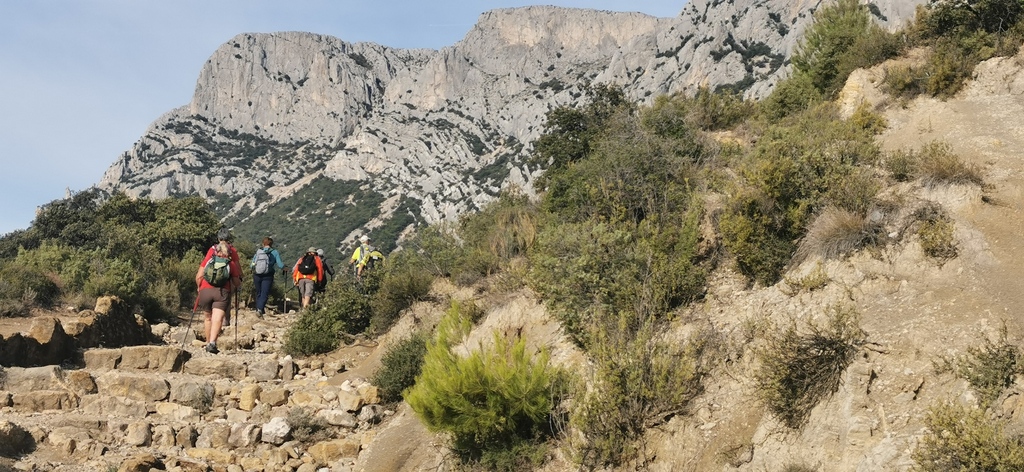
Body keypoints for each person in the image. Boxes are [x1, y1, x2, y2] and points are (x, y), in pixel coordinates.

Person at [195, 239, 242, 354]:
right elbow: (236, 283)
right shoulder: (230, 263)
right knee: (217, 318)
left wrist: (199, 288)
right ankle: (212, 343)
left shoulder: (208, 261)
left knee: (207, 318)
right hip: (222, 293)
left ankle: (207, 342)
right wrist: (238, 281)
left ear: (216, 251)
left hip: (205, 291)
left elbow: (198, 277)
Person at [204, 228, 241, 327]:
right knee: (226, 300)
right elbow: (237, 265)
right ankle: (225, 320)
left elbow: (205, 265)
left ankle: (212, 320)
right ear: (228, 238)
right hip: (226, 282)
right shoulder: (232, 250)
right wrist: (240, 276)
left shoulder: (212, 249)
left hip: (211, 281)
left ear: (218, 237)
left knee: (212, 300)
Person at [251, 237, 284, 317]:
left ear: (263, 243)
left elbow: (252, 264)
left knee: (259, 292)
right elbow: (280, 265)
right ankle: (259, 309)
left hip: (257, 274)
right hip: (268, 275)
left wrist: (253, 269)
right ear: (271, 244)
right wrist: (285, 268)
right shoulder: (274, 252)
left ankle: (259, 310)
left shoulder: (259, 252)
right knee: (264, 293)